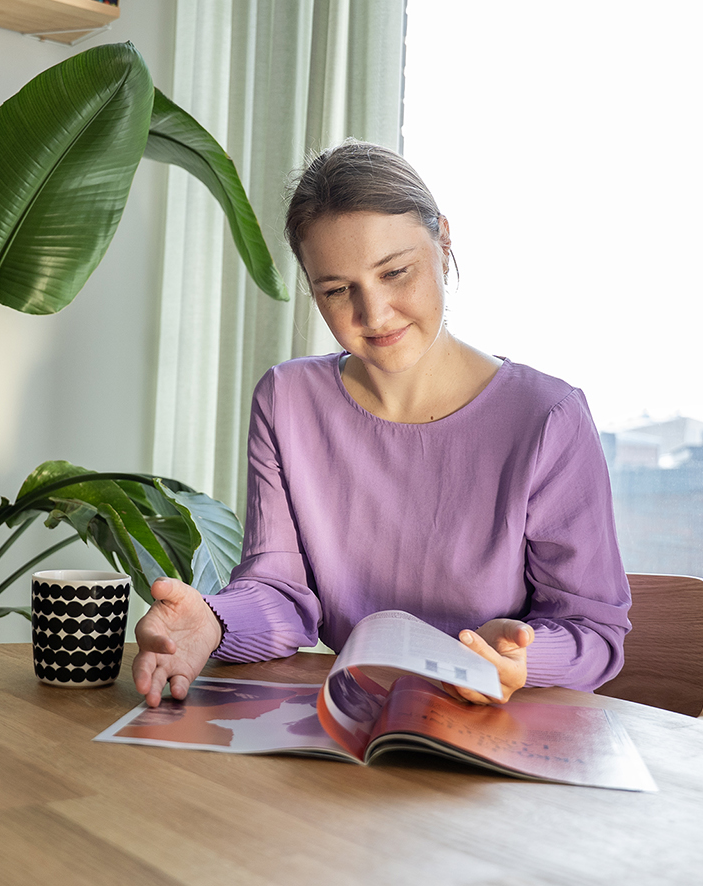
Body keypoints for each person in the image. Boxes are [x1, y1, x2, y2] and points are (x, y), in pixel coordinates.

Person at [133, 142, 631, 709]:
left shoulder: (547, 417)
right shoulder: (287, 400)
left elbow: (593, 630)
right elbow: (280, 592)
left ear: (443, 241)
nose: (374, 314)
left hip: (493, 729)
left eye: (395, 272)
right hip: (350, 722)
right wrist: (213, 621)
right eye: (336, 290)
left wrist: (519, 656)